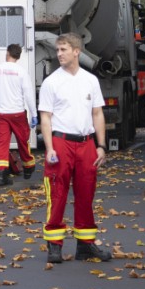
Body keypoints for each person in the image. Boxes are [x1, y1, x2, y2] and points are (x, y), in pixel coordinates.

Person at [39, 33, 109, 263]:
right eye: (58, 50)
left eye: (63, 49)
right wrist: (49, 148)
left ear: (76, 51)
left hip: (86, 142)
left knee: (86, 193)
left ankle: (86, 244)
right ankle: (54, 245)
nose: (59, 54)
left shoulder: (90, 80)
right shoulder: (52, 82)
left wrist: (100, 146)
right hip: (61, 143)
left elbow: (97, 113)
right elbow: (46, 118)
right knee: (57, 193)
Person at [0, 43, 37, 186]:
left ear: (7, 53)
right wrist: (34, 114)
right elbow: (29, 95)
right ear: (18, 56)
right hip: (18, 113)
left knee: (2, 144)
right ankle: (28, 167)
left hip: (1, 114)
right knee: (23, 140)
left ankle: (1, 175)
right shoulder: (21, 72)